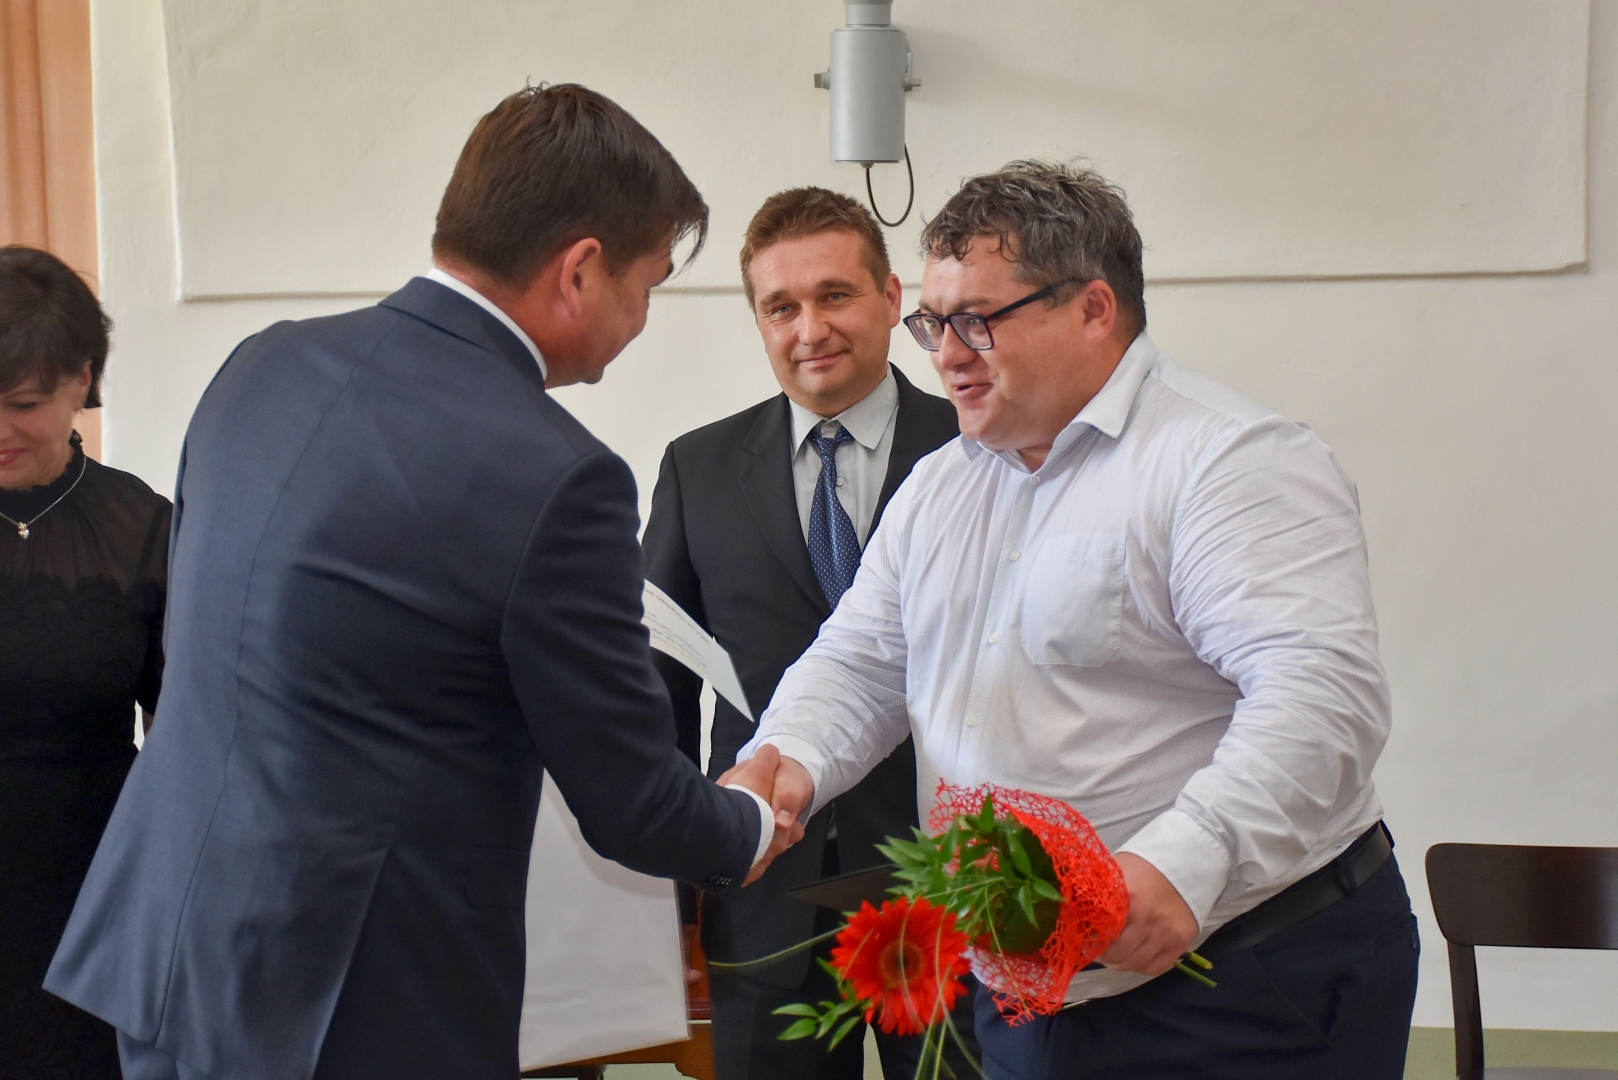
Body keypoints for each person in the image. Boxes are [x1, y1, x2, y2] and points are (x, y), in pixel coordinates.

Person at [45, 85, 799, 1080]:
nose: (642, 319)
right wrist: (749, 821)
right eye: (648, 285)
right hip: (350, 996)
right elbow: (630, 802)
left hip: (171, 944)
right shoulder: (555, 472)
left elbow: (215, 642)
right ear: (579, 270)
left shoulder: (263, 365)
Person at [739, 161, 1420, 1079]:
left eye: (978, 320)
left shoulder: (1229, 462)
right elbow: (861, 663)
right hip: (1030, 991)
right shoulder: (941, 485)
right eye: (934, 324)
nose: (946, 355)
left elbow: (1321, 697)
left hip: (1246, 975)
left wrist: (1186, 862)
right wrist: (788, 758)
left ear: (1094, 308)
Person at [643, 188, 972, 1080]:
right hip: (759, 893)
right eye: (781, 307)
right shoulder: (697, 468)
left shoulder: (978, 450)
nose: (810, 328)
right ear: (759, 322)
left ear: (892, 299)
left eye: (835, 295)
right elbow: (658, 698)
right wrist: (672, 898)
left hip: (947, 884)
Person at [0, 246, 169, 1080]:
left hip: (91, 887)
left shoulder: (142, 528)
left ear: (81, 382)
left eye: (22, 404)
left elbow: (181, 735)